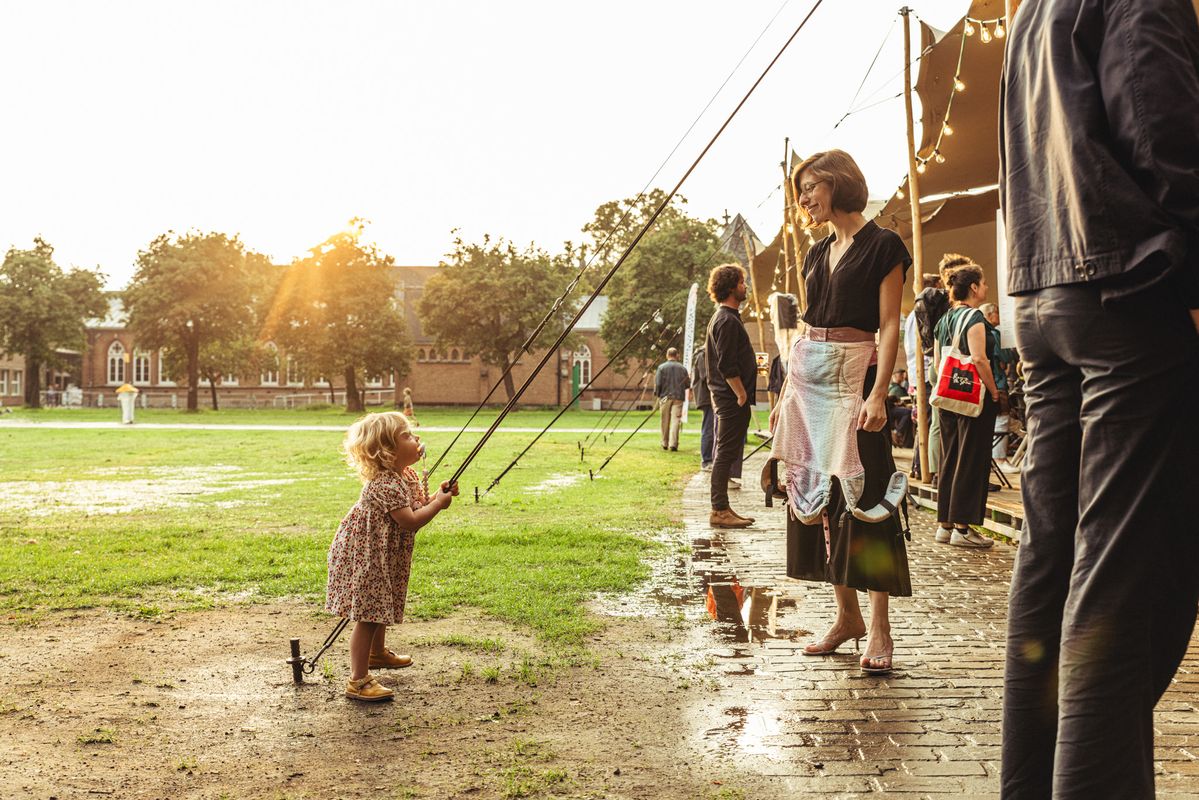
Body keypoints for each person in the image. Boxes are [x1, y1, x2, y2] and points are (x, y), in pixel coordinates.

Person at [1000, 2, 1199, 797]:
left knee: (1049, 561)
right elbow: (1160, 124)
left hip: (1044, 291)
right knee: (1120, 577)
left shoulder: (1027, 13)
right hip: (1126, 286)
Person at [770, 149, 911, 674]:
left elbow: (890, 324)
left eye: (810, 187)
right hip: (809, 381)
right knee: (820, 496)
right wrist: (785, 397)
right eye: (801, 191)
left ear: (838, 182)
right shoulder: (816, 252)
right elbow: (808, 330)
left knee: (867, 496)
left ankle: (879, 626)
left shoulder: (884, 245)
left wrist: (879, 393)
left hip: (857, 379)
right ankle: (846, 616)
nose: (804, 198)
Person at [326, 412, 458, 702]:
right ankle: (358, 680)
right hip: (364, 554)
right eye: (407, 435)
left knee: (380, 601)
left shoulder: (405, 475)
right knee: (368, 614)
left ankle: (376, 654)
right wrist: (438, 505)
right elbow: (410, 521)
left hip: (380, 552)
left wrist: (436, 496)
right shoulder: (384, 484)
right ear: (387, 451)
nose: (416, 438)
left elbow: (416, 505)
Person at [931, 265, 1000, 548]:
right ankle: (962, 527)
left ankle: (945, 524)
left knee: (950, 457)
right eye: (983, 283)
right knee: (971, 459)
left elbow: (938, 364)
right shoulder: (974, 317)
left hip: (948, 396)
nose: (986, 288)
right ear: (973, 287)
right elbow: (979, 359)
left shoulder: (944, 319)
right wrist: (994, 392)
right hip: (973, 397)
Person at [705, 263, 757, 529]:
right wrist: (740, 394)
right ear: (730, 287)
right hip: (730, 399)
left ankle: (723, 507)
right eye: (741, 282)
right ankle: (719, 510)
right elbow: (726, 365)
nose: (745, 287)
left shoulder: (728, 317)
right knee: (725, 454)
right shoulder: (725, 320)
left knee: (727, 452)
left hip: (731, 398)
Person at [979, 302, 1018, 468]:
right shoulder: (994, 334)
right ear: (990, 315)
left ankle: (992, 458)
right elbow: (1007, 357)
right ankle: (1000, 459)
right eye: (997, 313)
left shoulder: (978, 330)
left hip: (983, 381)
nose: (1000, 317)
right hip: (997, 381)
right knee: (1002, 417)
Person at [654, 346, 689, 451]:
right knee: (675, 420)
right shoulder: (683, 368)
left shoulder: (661, 368)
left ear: (667, 355)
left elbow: (658, 383)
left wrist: (658, 395)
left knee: (665, 420)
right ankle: (673, 444)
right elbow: (687, 384)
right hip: (678, 397)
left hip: (665, 397)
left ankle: (664, 442)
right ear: (677, 355)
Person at [691, 345, 714, 469]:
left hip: (710, 397)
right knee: (708, 428)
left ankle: (710, 458)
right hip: (707, 397)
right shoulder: (703, 355)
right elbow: (706, 376)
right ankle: (706, 460)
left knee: (711, 428)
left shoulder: (705, 354)